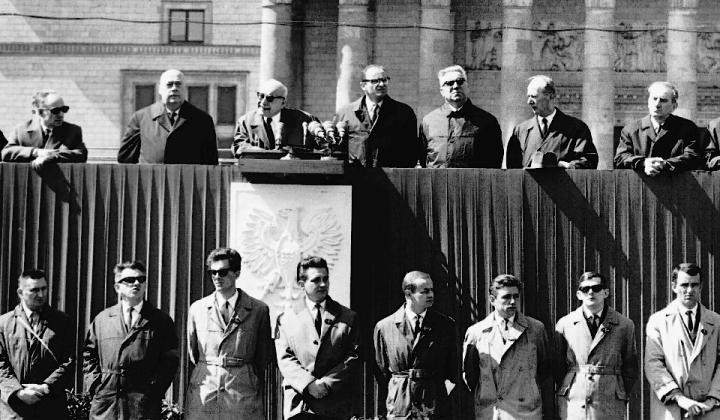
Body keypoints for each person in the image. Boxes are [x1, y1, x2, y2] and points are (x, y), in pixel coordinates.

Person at [82, 260, 179, 420]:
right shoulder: (103, 319)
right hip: (107, 405)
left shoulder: (161, 321)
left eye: (141, 279)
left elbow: (170, 361)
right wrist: (96, 385)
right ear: (117, 287)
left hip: (142, 406)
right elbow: (89, 354)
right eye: (129, 280)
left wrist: (153, 391)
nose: (136, 283)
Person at [185, 248, 274, 420]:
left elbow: (263, 357)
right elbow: (193, 353)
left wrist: (243, 375)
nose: (217, 277)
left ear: (237, 273)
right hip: (205, 392)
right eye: (213, 272)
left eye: (223, 272)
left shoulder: (258, 310)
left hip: (241, 393)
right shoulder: (197, 309)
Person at [275, 256, 360, 420]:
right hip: (300, 404)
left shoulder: (348, 317)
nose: (323, 284)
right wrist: (308, 384)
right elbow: (285, 358)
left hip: (336, 405)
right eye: (316, 280)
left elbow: (353, 356)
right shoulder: (286, 319)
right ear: (302, 284)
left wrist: (327, 384)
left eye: (325, 279)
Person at [462, 274, 552, 419]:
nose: (513, 302)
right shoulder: (476, 332)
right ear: (492, 300)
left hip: (526, 413)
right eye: (506, 297)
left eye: (516, 296)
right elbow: (469, 376)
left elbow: (545, 373)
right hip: (492, 413)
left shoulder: (535, 329)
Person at [554, 272, 638, 419]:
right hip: (575, 399)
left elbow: (630, 366)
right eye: (585, 289)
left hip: (609, 400)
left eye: (596, 288)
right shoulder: (565, 324)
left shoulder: (624, 325)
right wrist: (573, 384)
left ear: (606, 293)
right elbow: (557, 366)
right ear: (579, 294)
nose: (591, 292)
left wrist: (617, 389)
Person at [373, 270, 456, 419]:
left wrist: (439, 393)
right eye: (425, 291)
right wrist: (396, 394)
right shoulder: (385, 327)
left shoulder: (445, 325)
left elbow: (452, 368)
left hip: (432, 407)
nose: (431, 295)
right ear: (408, 293)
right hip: (401, 408)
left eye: (432, 290)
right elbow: (381, 373)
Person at [645, 263, 720, 419]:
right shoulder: (658, 321)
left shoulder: (716, 321)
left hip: (708, 409)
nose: (689, 290)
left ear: (701, 287)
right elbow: (653, 364)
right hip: (671, 408)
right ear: (674, 287)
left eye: (694, 285)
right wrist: (679, 398)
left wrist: (712, 399)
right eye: (684, 285)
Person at [0, 269, 74, 419]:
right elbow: (0, 364)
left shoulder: (62, 322)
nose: (41, 295)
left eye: (43, 289)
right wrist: (18, 392)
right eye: (34, 290)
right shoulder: (4, 323)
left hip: (50, 408)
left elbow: (69, 361)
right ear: (20, 293)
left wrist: (46, 386)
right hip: (14, 411)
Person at [118, 69, 218, 164]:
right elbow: (125, 158)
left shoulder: (203, 120)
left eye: (178, 84)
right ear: (160, 89)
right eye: (169, 84)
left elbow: (211, 162)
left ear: (185, 89)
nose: (174, 88)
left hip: (186, 176)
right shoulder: (140, 118)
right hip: (152, 176)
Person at [335, 64, 419, 167]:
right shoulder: (345, 113)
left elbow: (411, 153)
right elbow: (337, 151)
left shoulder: (404, 113)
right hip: (356, 175)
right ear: (363, 85)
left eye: (384, 80)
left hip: (391, 176)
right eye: (375, 81)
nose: (382, 84)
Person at [505, 75, 598, 169]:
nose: (529, 102)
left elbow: (588, 161)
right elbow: (512, 169)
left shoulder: (577, 128)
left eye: (534, 96)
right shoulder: (520, 131)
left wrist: (565, 165)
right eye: (528, 97)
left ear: (551, 96)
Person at [419, 65, 502, 168]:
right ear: (442, 91)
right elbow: (423, 159)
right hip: (437, 178)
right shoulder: (429, 121)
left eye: (460, 81)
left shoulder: (487, 121)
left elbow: (495, 161)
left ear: (467, 87)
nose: (455, 86)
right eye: (449, 83)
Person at [615, 81, 701, 175]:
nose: (657, 104)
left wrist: (664, 165)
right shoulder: (631, 130)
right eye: (654, 99)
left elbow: (693, 157)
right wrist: (644, 163)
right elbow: (620, 158)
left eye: (663, 100)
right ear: (648, 102)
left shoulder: (688, 128)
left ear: (674, 106)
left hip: (674, 182)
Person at [232, 79, 318, 157]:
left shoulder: (304, 119)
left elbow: (319, 148)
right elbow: (238, 146)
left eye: (269, 98)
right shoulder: (246, 121)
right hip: (258, 169)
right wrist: (259, 152)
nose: (263, 102)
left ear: (283, 102)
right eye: (261, 96)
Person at [2, 90, 87, 167]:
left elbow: (81, 154)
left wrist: (51, 156)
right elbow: (6, 152)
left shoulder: (73, 130)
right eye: (55, 111)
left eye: (64, 109)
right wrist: (36, 152)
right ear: (40, 112)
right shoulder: (21, 130)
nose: (61, 114)